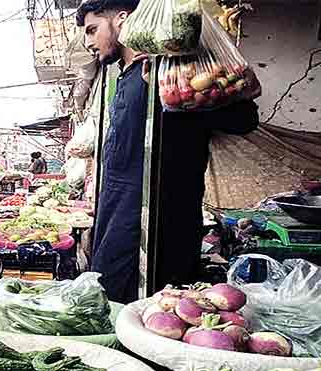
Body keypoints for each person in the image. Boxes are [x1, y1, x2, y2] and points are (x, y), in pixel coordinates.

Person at [78, 0, 259, 303]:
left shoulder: (172, 77)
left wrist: (180, 93)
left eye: (93, 30)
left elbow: (244, 120)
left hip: (161, 232)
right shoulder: (126, 76)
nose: (88, 42)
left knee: (152, 320)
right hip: (117, 221)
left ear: (122, 20)